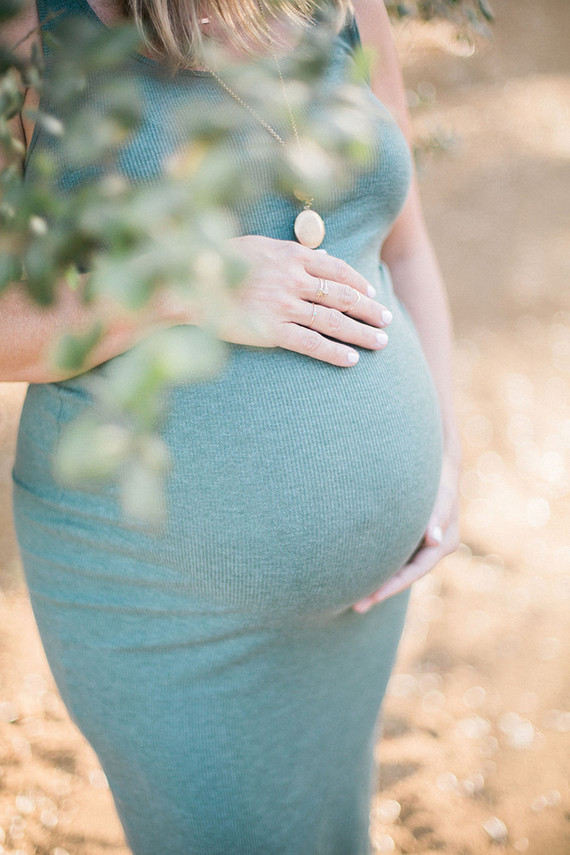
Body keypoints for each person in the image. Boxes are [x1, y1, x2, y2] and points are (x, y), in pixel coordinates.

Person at [1, 0, 461, 852]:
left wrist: (445, 463)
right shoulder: (30, 33)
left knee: (332, 829)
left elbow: (404, 246)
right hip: (161, 598)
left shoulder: (346, 6)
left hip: (361, 603)